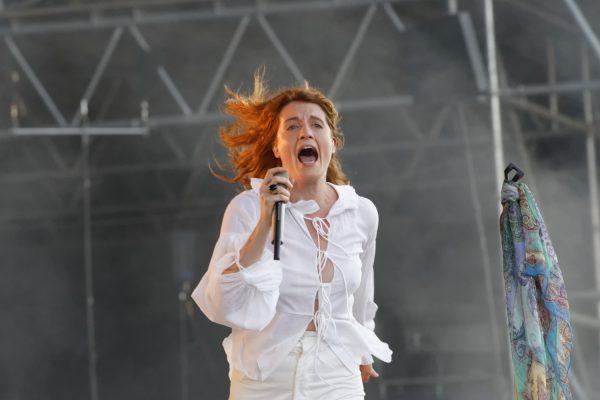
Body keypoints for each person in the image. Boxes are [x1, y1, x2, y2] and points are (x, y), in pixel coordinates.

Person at [191, 70, 392, 399]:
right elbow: (223, 299)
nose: (305, 132)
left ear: (333, 142)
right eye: (293, 126)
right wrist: (267, 218)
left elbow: (361, 295)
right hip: (267, 373)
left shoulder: (361, 212)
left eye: (316, 124)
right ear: (277, 146)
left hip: (335, 371)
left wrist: (363, 349)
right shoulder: (248, 207)